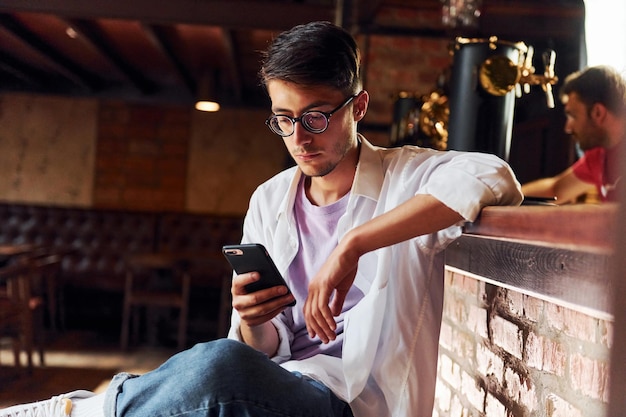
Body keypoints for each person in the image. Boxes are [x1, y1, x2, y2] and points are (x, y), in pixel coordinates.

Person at [1, 21, 522, 417]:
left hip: (357, 401)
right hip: (281, 385)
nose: (300, 137)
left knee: (219, 369)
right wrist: (253, 319)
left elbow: (493, 176)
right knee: (224, 364)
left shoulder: (407, 177)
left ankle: (78, 410)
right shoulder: (270, 201)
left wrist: (354, 244)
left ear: (358, 107)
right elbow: (265, 347)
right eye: (285, 119)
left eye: (317, 116)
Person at [521, 65, 626, 204]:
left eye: (573, 116)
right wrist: (502, 197)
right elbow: (556, 190)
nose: (567, 128)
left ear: (598, 113)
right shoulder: (599, 154)